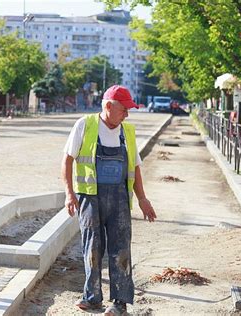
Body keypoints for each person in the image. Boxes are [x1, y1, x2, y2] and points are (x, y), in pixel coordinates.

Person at [61, 85, 157, 315]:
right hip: (89, 198)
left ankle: (119, 303)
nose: (127, 114)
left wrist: (143, 199)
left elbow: (135, 167)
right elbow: (67, 160)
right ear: (108, 106)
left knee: (121, 250)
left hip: (120, 200)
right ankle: (92, 298)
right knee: (92, 248)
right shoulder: (85, 125)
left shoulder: (128, 132)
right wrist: (69, 193)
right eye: (124, 109)